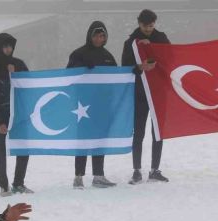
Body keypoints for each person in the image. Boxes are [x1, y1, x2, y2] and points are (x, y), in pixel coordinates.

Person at [66, 21, 119, 189]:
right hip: (83, 106)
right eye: (96, 35)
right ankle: (78, 177)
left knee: (99, 140)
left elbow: (117, 78)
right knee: (83, 141)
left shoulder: (108, 56)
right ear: (90, 36)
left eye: (102, 36)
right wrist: (80, 67)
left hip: (102, 106)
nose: (99, 38)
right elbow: (67, 75)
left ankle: (98, 175)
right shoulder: (78, 54)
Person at [121, 9, 169, 184]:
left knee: (158, 132)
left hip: (158, 93)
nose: (148, 28)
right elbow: (125, 67)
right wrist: (139, 67)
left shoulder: (162, 38)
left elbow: (170, 59)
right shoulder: (130, 43)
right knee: (138, 133)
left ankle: (155, 170)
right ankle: (137, 171)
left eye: (151, 25)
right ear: (139, 23)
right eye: (145, 25)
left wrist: (152, 47)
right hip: (139, 93)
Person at [0, 33, 33, 196]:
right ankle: (4, 186)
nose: (8, 49)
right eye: (4, 46)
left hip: (20, 115)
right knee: (2, 152)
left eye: (10, 46)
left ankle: (19, 183)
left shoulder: (19, 65)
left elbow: (29, 88)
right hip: (2, 118)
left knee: (24, 149)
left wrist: (15, 74)